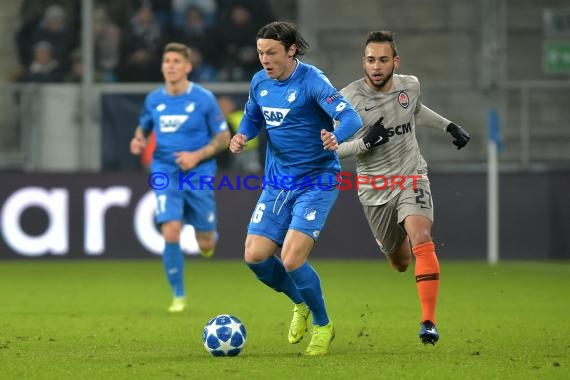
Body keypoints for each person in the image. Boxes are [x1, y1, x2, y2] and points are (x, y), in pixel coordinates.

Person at [229, 21, 362, 356]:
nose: (264, 59)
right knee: (255, 257)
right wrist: (243, 134)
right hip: (278, 181)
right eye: (260, 52)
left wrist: (337, 136)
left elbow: (351, 119)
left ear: (291, 50)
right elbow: (253, 117)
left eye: (271, 52)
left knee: (290, 258)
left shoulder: (313, 81)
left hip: (317, 179)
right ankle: (300, 301)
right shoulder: (260, 81)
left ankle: (322, 324)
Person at [337, 31, 471, 345]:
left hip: (411, 175)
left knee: (421, 236)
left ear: (395, 61)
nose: (376, 66)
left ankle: (428, 321)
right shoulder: (348, 99)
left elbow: (416, 110)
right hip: (374, 187)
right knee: (400, 262)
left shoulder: (409, 86)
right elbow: (329, 148)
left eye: (383, 59)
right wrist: (364, 142)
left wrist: (449, 126)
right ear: (364, 62)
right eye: (371, 60)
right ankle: (397, 249)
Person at [130, 42, 230, 313]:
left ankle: (207, 236)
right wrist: (139, 138)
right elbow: (144, 126)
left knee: (205, 243)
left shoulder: (204, 98)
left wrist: (196, 156)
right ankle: (178, 295)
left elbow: (223, 138)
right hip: (165, 170)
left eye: (176, 61)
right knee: (170, 229)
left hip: (198, 171)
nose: (170, 66)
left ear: (187, 67)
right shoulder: (154, 99)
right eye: (167, 61)